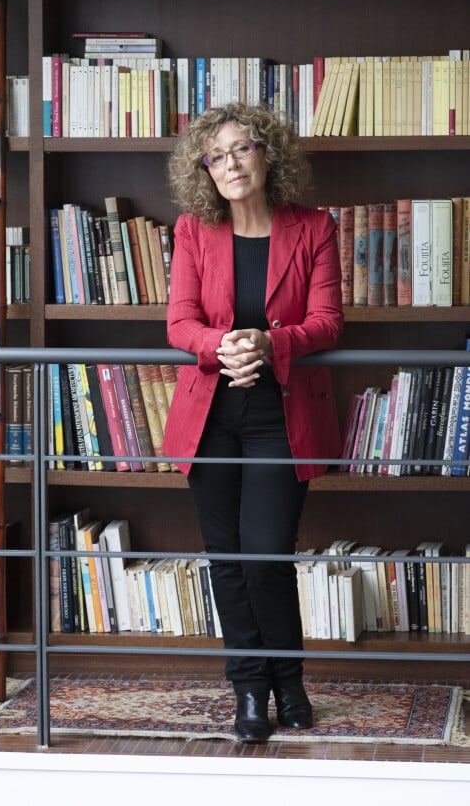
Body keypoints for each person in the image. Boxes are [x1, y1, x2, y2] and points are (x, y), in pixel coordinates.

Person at [162, 102, 343, 743]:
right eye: (216, 155)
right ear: (203, 170)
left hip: (279, 413)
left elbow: (327, 321)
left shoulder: (315, 227)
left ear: (269, 154)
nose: (231, 163)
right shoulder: (192, 230)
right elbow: (180, 322)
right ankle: (248, 691)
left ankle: (288, 681)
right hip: (211, 413)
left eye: (242, 148)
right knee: (227, 561)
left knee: (266, 557)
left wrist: (268, 344)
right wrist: (223, 348)